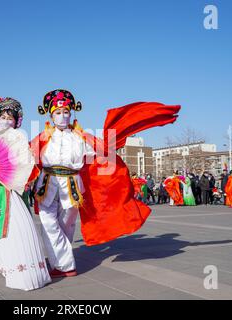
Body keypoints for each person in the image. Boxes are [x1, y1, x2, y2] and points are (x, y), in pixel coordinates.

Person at [30, 90, 170, 278]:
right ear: (50, 115)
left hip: (72, 184)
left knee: (66, 225)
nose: (62, 116)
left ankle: (60, 263)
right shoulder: (42, 138)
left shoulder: (82, 137)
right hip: (46, 183)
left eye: (66, 112)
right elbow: (26, 157)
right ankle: (64, 263)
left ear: (71, 114)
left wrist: (118, 132)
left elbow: (103, 152)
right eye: (58, 113)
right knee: (48, 223)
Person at [0, 97, 51, 291]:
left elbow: (29, 166)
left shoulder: (21, 141)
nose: (6, 121)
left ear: (17, 121)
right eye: (3, 117)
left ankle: (25, 266)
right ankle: (2, 261)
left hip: (16, 191)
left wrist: (29, 178)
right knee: (0, 227)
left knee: (22, 225)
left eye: (10, 118)